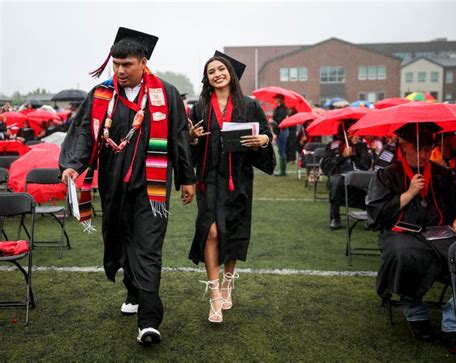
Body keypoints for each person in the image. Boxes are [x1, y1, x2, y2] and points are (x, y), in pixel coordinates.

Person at [59, 27, 196, 346]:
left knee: (148, 249)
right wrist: (71, 165)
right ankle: (133, 290)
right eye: (116, 64)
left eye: (127, 65)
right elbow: (82, 133)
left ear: (143, 62)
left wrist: (187, 178)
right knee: (120, 242)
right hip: (113, 185)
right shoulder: (101, 95)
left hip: (153, 187)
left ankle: (149, 321)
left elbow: (177, 137)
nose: (119, 71)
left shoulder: (167, 93)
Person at [366, 123, 456, 354]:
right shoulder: (387, 175)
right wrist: (409, 193)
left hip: (440, 234)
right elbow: (376, 215)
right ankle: (416, 312)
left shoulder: (445, 174)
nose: (423, 154)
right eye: (418, 148)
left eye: (428, 148)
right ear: (404, 146)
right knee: (405, 255)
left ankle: (454, 323)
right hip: (403, 235)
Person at [187, 51, 275, 323]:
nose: (217, 74)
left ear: (231, 74)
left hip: (238, 179)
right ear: (207, 78)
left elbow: (267, 136)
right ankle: (214, 295)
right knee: (210, 232)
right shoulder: (200, 107)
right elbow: (190, 143)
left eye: (221, 69)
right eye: (211, 71)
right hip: (209, 180)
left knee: (233, 232)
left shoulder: (249, 105)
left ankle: (227, 283)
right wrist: (191, 138)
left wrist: (262, 140)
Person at [320, 120, 371, 229]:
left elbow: (366, 166)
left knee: (372, 181)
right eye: (351, 132)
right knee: (335, 180)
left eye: (356, 131)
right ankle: (335, 217)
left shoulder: (362, 146)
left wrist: (354, 155)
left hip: (359, 178)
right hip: (340, 179)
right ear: (344, 133)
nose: (355, 135)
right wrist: (342, 156)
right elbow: (326, 167)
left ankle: (370, 217)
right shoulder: (333, 146)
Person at [271, 94, 289, 176]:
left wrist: (272, 122)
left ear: (279, 99)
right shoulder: (280, 109)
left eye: (275, 98)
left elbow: (280, 123)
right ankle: (282, 170)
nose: (274, 100)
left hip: (281, 132)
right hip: (281, 132)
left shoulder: (281, 110)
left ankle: (282, 171)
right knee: (280, 151)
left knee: (281, 151)